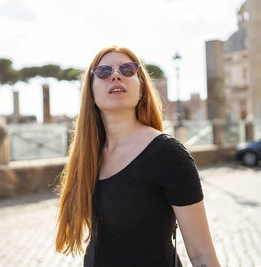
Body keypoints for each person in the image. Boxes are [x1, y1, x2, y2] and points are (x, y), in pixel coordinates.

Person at [54, 46, 220, 267]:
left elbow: (202, 256)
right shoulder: (89, 155)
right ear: (91, 93)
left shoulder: (168, 153)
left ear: (141, 89)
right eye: (103, 71)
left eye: (128, 69)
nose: (116, 74)